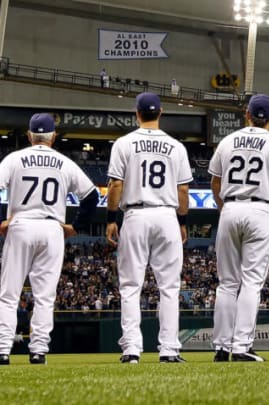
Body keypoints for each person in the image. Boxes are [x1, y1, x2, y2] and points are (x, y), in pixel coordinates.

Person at [0, 113, 98, 365]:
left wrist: (1, 219)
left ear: (30, 135)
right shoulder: (64, 163)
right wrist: (74, 227)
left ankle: (2, 350)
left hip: (20, 225)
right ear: (53, 136)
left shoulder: (15, 158)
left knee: (9, 295)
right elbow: (91, 196)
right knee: (45, 296)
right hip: (52, 229)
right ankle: (39, 350)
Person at [209, 94, 269, 362]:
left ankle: (222, 348)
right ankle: (241, 347)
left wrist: (225, 208)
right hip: (259, 209)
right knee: (251, 282)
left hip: (231, 207)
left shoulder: (227, 141)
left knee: (226, 283)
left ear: (247, 114)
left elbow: (215, 181)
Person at [106, 92, 193, 364]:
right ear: (161, 112)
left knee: (131, 286)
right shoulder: (176, 146)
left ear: (137, 113)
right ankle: (169, 350)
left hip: (136, 214)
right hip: (167, 215)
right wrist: (181, 222)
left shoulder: (124, 143)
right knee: (169, 287)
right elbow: (183, 190)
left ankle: (131, 349)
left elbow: (116, 185)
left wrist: (111, 218)